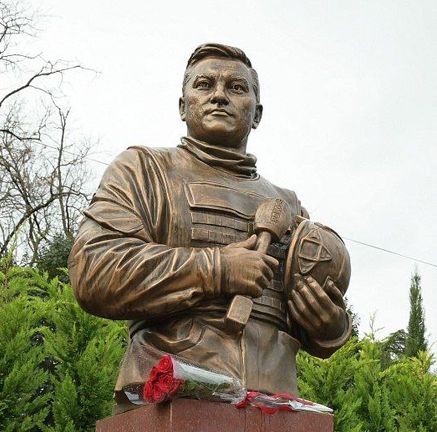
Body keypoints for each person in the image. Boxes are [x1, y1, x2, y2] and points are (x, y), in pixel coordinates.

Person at [69, 43, 350, 410]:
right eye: (204, 85)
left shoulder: (288, 205)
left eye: (236, 87)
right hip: (172, 397)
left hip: (273, 404)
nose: (219, 95)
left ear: (257, 113)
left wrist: (328, 327)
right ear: (183, 106)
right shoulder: (143, 170)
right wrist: (217, 268)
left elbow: (295, 313)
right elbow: (94, 269)